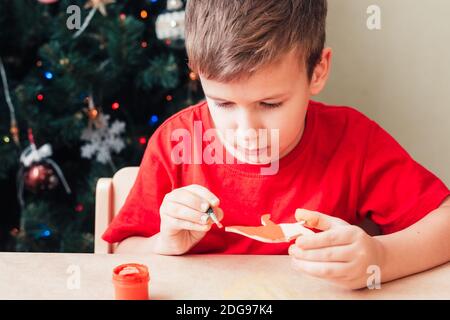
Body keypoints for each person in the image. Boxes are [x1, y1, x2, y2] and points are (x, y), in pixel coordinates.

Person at [102, 0, 450, 289]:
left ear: (317, 71)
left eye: (269, 104)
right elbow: (121, 254)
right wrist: (164, 244)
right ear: (197, 72)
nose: (246, 130)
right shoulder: (176, 142)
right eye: (222, 103)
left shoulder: (353, 141)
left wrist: (381, 258)